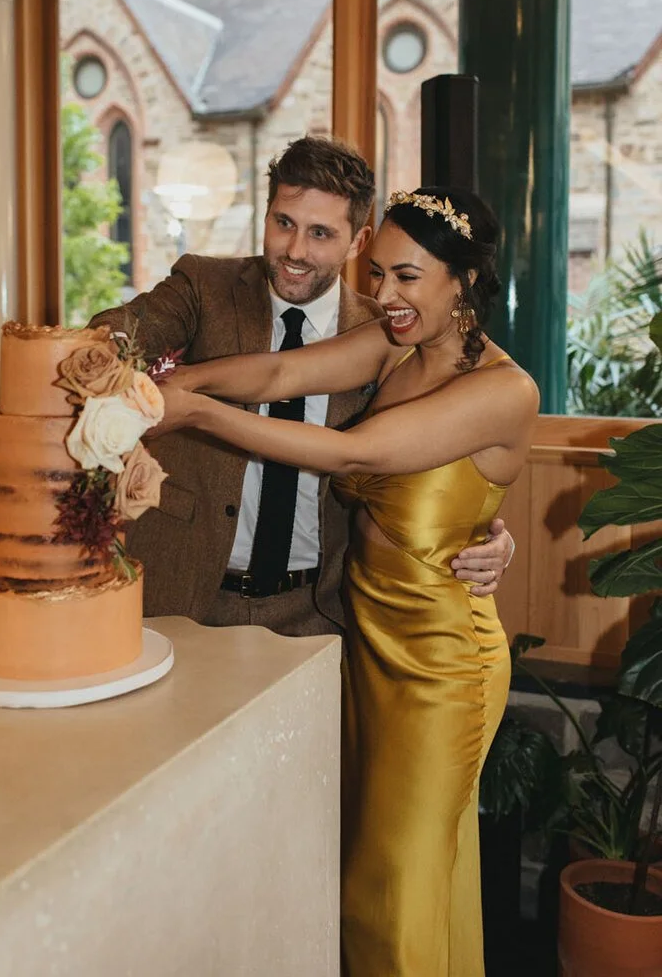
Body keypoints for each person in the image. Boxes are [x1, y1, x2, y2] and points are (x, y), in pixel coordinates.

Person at [155, 186, 539, 977]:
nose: (384, 297)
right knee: (389, 870)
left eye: (407, 278)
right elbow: (273, 372)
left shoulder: (506, 389)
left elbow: (352, 456)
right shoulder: (396, 347)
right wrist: (180, 380)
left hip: (441, 665)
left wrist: (189, 413)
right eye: (378, 274)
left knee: (389, 887)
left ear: (461, 281)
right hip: (366, 639)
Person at [91, 136, 513, 636]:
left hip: (323, 609)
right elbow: (135, 328)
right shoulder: (204, 286)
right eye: (283, 223)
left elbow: (442, 449)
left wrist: (487, 535)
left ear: (357, 241)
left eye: (320, 233)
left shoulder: (396, 327)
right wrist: (108, 352)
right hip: (184, 595)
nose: (295, 250)